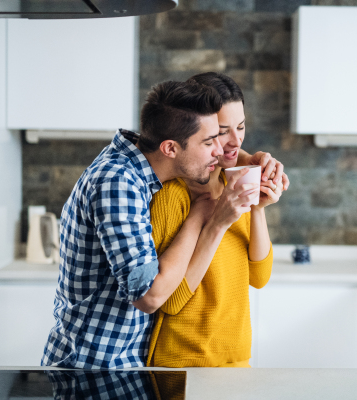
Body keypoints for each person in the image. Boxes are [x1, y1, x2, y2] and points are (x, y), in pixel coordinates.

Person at [41, 80, 286, 369]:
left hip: (125, 361)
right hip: (97, 365)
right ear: (170, 148)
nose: (220, 150)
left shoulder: (142, 167)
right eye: (212, 140)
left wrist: (254, 163)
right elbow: (151, 295)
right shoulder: (119, 183)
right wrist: (205, 214)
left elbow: (188, 138)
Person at [146, 72, 283, 368]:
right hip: (182, 364)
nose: (236, 141)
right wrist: (215, 222)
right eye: (222, 131)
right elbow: (168, 302)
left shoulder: (234, 181)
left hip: (236, 361)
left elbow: (259, 278)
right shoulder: (173, 197)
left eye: (242, 127)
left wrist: (258, 208)